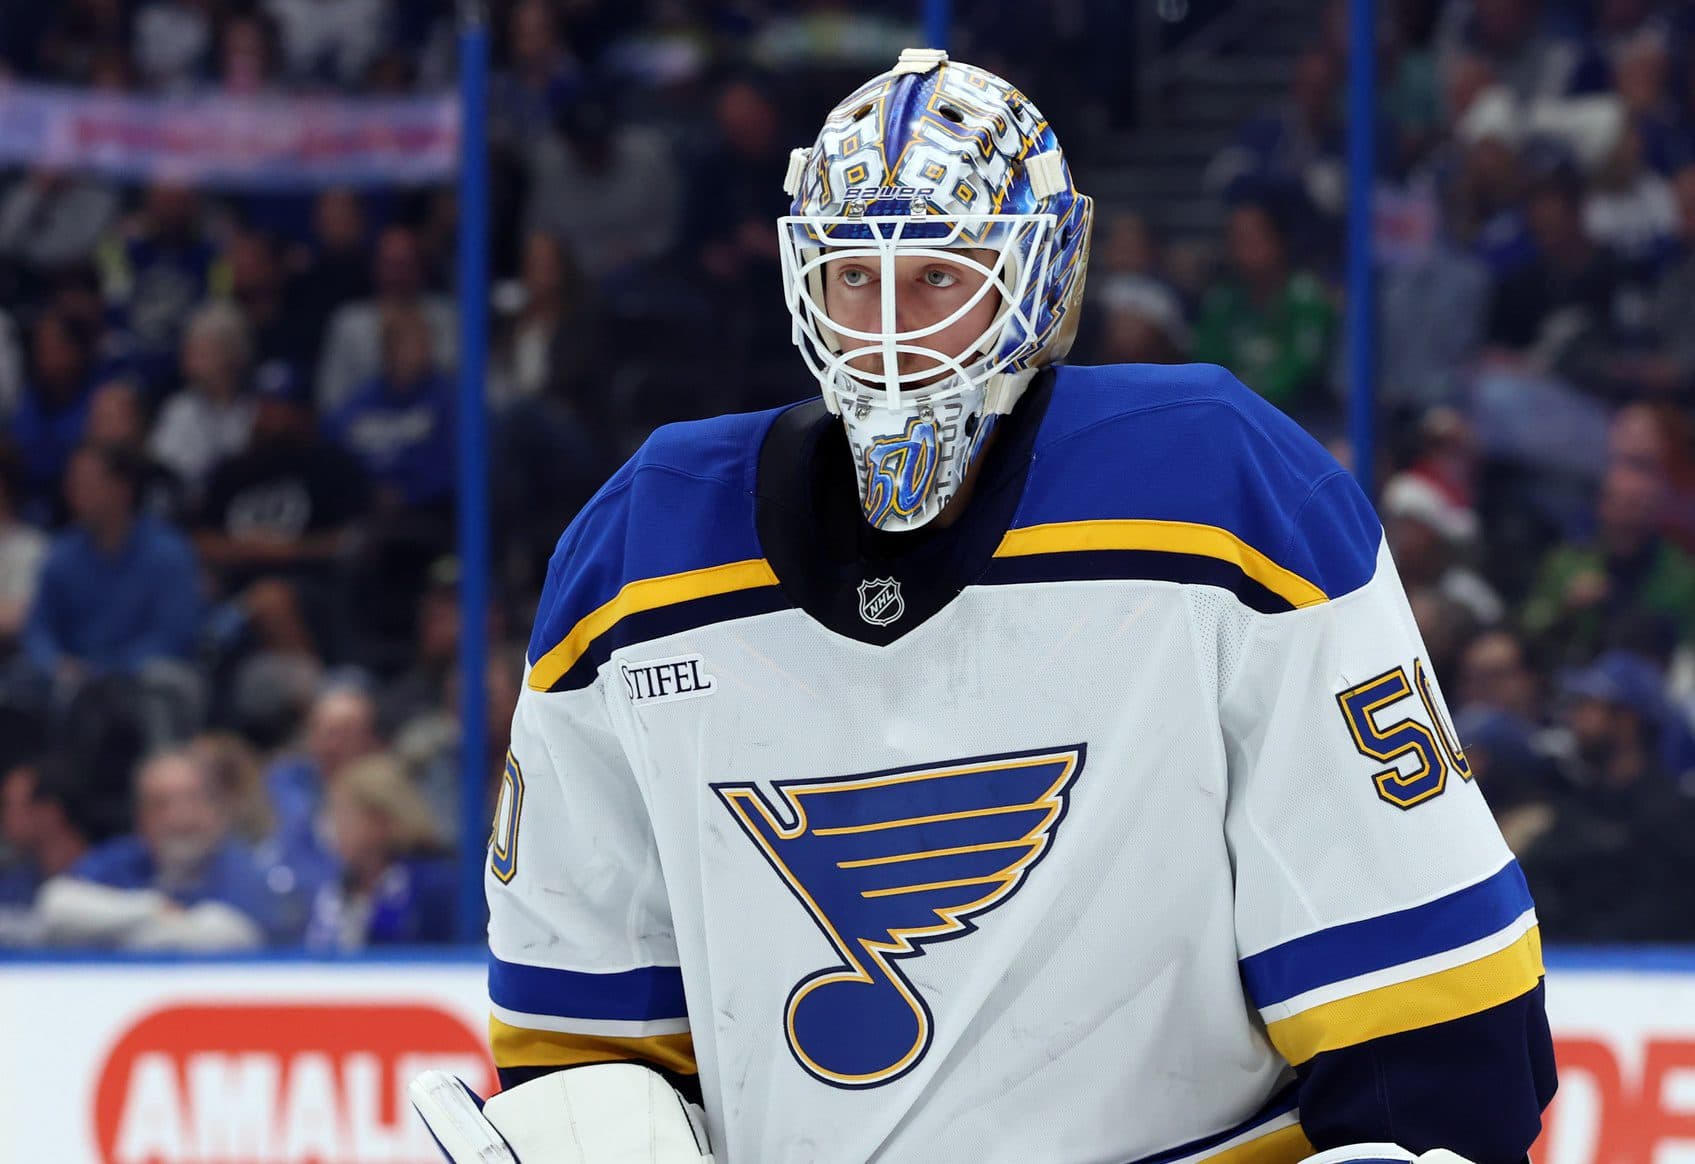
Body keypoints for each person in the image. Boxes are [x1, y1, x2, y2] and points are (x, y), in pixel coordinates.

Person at [418, 50, 1555, 1164]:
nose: (890, 334)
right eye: (853, 277)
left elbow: (1440, 1042)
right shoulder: (637, 555)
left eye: (941, 278)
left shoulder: (1222, 496)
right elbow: (584, 1049)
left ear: (1045, 280)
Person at [34, 747, 284, 950]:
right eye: (161, 804)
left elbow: (236, 935)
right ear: (141, 819)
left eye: (193, 799)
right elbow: (55, 907)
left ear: (216, 810)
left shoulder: (241, 868)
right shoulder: (120, 860)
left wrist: (114, 931)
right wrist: (153, 907)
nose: (180, 817)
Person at [303, 753, 455, 950]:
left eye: (343, 816)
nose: (333, 829)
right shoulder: (334, 891)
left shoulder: (434, 888)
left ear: (380, 821)